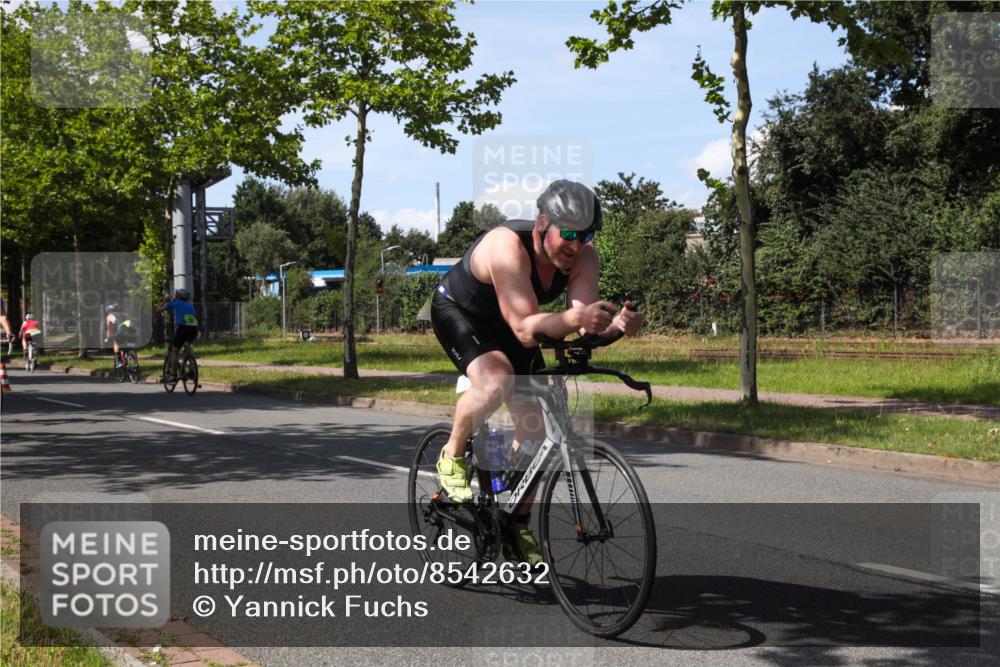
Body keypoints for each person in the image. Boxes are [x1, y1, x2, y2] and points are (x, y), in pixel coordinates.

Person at [430, 179, 644, 565]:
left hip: (523, 322)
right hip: (465, 314)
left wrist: (615, 327)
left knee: (540, 429)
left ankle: (515, 522)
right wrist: (574, 316)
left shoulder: (583, 257)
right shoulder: (506, 246)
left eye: (587, 235)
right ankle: (452, 455)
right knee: (495, 382)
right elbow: (525, 329)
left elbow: (579, 324)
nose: (577, 244)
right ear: (543, 223)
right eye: (571, 233)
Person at [159, 289, 198, 381]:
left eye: (176, 295)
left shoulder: (175, 303)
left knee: (175, 351)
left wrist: (165, 300)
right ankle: (192, 367)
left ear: (179, 296)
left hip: (182, 328)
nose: (175, 296)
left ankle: (173, 376)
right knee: (189, 345)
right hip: (193, 328)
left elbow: (159, 309)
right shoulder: (191, 306)